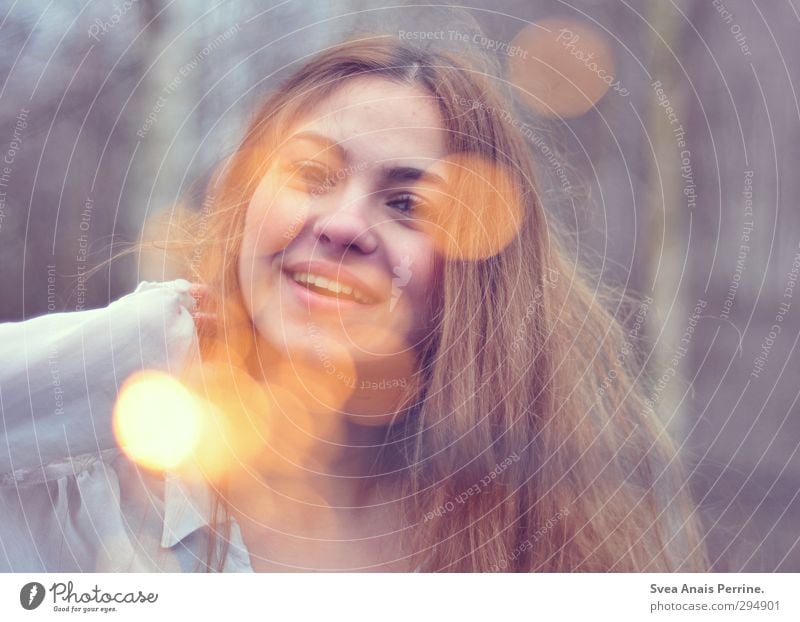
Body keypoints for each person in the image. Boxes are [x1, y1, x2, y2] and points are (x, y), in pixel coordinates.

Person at [0, 37, 707, 572]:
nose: (341, 224)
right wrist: (147, 337)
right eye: (312, 173)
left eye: (406, 203)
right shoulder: (70, 486)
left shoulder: (533, 537)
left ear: (474, 274)